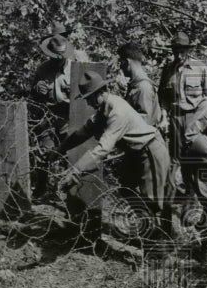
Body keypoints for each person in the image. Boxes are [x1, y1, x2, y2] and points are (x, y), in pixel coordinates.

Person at [58, 69, 171, 251]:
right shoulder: (103, 109)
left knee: (151, 202)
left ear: (100, 93)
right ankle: (151, 234)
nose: (88, 102)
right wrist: (60, 149)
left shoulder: (117, 112)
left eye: (89, 98)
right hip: (135, 153)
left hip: (150, 150)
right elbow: (83, 133)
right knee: (126, 188)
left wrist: (76, 170)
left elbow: (103, 149)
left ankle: (158, 249)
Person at [158, 31, 207, 203]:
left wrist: (203, 122)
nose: (179, 55)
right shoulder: (168, 70)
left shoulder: (200, 68)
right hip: (175, 119)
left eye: (182, 51)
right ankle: (173, 200)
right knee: (175, 159)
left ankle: (200, 198)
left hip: (195, 119)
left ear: (188, 50)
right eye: (175, 51)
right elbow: (163, 97)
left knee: (195, 156)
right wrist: (163, 116)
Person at [30, 32, 91, 150]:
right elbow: (33, 98)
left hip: (69, 117)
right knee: (47, 152)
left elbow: (89, 94)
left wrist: (75, 91)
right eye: (54, 58)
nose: (57, 61)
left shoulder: (76, 69)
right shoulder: (42, 69)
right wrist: (37, 89)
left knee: (68, 150)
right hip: (48, 118)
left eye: (60, 58)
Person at [117, 41, 162, 127]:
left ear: (127, 62)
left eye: (121, 62)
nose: (120, 66)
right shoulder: (136, 84)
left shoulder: (143, 87)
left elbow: (144, 122)